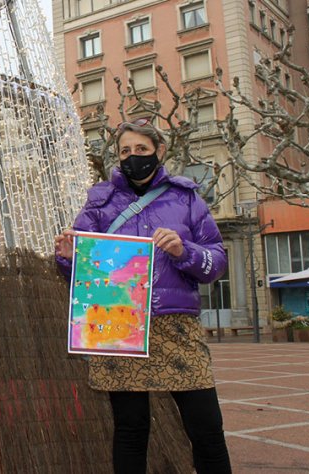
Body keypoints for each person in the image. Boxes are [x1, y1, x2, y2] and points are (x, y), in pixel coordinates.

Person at [54, 119, 231, 473]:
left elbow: (217, 262)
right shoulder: (99, 202)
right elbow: (80, 273)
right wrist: (68, 257)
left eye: (141, 150)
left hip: (176, 326)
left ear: (159, 151)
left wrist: (186, 251)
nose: (133, 157)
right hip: (119, 327)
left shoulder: (187, 197)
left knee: (207, 428)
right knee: (131, 429)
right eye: (125, 151)